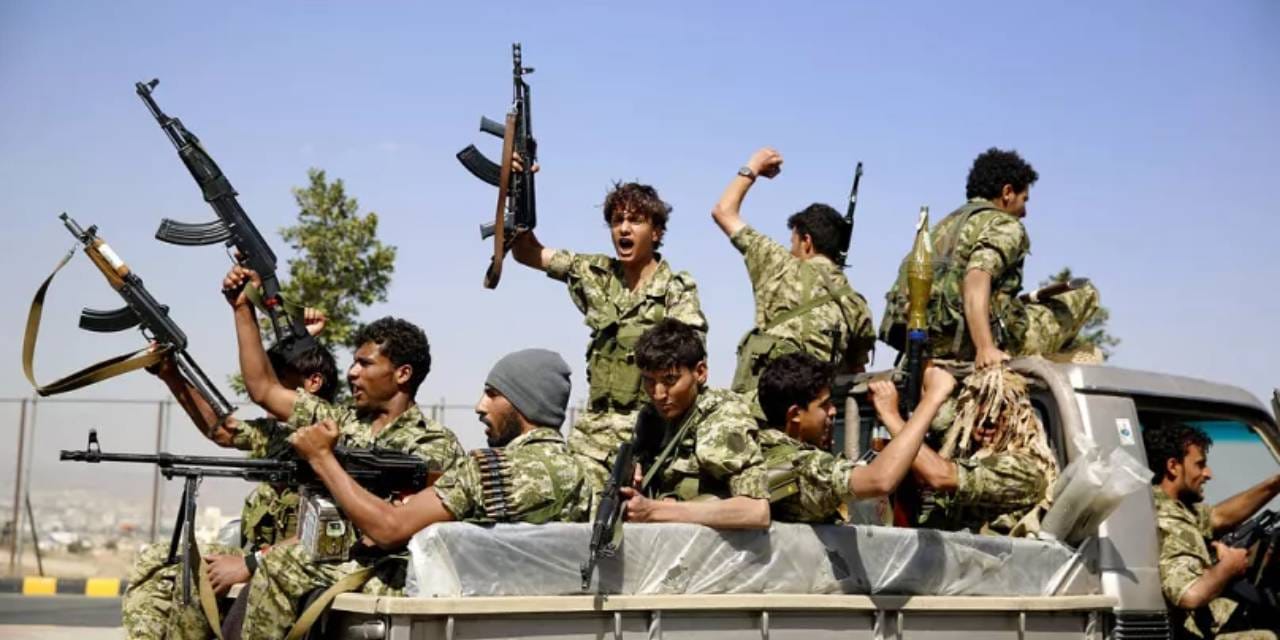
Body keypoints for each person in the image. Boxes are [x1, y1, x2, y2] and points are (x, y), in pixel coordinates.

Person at [239, 349, 597, 640]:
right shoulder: (583, 474)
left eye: (492, 394)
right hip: (528, 608)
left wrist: (321, 458)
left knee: (284, 564)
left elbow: (389, 528)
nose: (479, 406)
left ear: (525, 403)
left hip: (447, 596)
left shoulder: (490, 468)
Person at [121, 331, 339, 640]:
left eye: (274, 381)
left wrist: (250, 563)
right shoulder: (279, 434)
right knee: (159, 559)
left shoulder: (337, 441)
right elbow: (223, 431)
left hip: (296, 566)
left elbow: (324, 534)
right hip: (265, 556)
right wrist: (171, 375)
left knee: (198, 575)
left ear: (313, 383)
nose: (263, 391)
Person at [507, 169, 708, 478]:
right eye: (617, 221)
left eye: (635, 221)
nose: (624, 229)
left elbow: (689, 371)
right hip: (590, 439)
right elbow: (526, 252)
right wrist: (518, 183)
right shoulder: (596, 274)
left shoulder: (676, 290)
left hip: (649, 437)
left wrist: (655, 447)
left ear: (656, 233)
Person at [880, 148, 1100, 369]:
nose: (1025, 212)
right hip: (975, 344)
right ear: (1007, 192)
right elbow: (976, 277)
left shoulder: (940, 229)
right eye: (1024, 199)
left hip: (926, 346)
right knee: (1085, 292)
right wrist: (985, 347)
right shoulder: (1003, 224)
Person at [711, 146, 875, 401]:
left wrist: (753, 166)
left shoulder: (779, 264)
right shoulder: (855, 304)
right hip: (814, 414)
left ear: (806, 241)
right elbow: (857, 371)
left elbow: (723, 211)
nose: (791, 249)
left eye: (793, 242)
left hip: (762, 408)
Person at [755, 352, 956, 523]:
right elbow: (880, 479)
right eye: (824, 405)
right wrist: (933, 397)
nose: (833, 411)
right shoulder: (800, 466)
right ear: (795, 415)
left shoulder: (759, 448)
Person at [618, 319, 771, 528]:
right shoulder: (651, 418)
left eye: (670, 380)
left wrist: (653, 510)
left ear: (700, 373)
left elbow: (756, 511)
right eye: (649, 381)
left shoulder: (721, 418)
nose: (658, 394)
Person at [875, 366, 1060, 536]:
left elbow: (940, 476)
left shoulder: (1024, 471)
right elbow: (934, 392)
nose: (988, 419)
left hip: (988, 559)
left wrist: (891, 417)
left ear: (1019, 416)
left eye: (1001, 408)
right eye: (981, 404)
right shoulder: (965, 439)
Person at [1145, 420, 1280, 639]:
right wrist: (1229, 566)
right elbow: (1190, 594)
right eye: (1200, 465)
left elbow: (1218, 516)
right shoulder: (1171, 522)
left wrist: (1275, 484)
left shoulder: (1170, 505)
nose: (1208, 474)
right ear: (1173, 466)